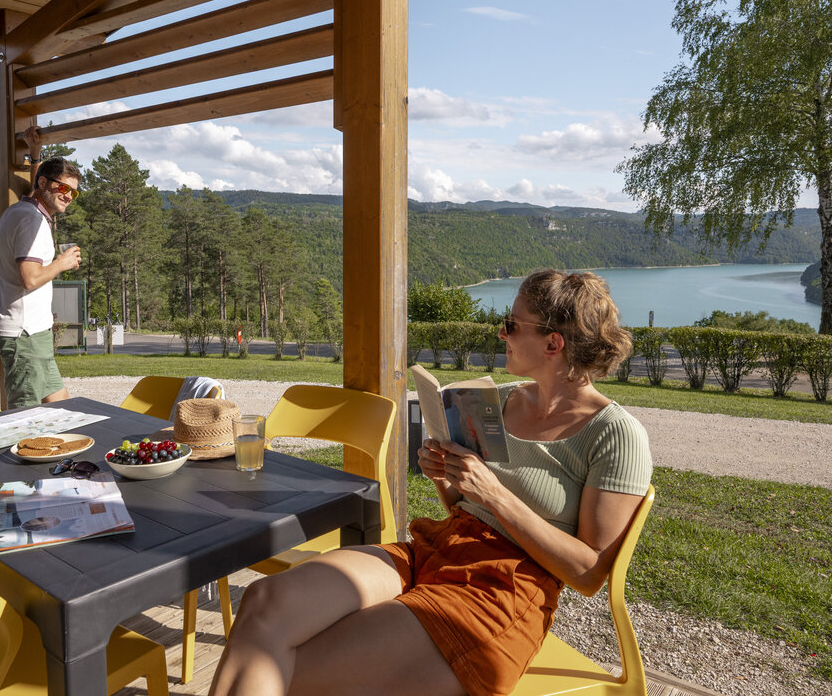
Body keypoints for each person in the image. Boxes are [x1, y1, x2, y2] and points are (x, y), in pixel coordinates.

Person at [209, 269, 652, 696]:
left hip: (503, 590)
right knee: (265, 604)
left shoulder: (614, 434)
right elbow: (464, 505)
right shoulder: (496, 400)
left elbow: (590, 572)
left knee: (287, 669)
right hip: (437, 550)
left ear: (553, 342)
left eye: (511, 324)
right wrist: (446, 476)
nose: (501, 333)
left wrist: (495, 493)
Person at [0, 125, 82, 409]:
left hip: (32, 332)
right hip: (24, 334)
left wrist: (35, 153)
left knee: (59, 405)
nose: (68, 195)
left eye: (73, 192)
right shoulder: (31, 221)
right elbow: (29, 278)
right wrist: (62, 263)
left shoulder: (22, 211)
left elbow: (41, 189)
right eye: (63, 188)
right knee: (26, 416)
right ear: (43, 184)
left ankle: (64, 452)